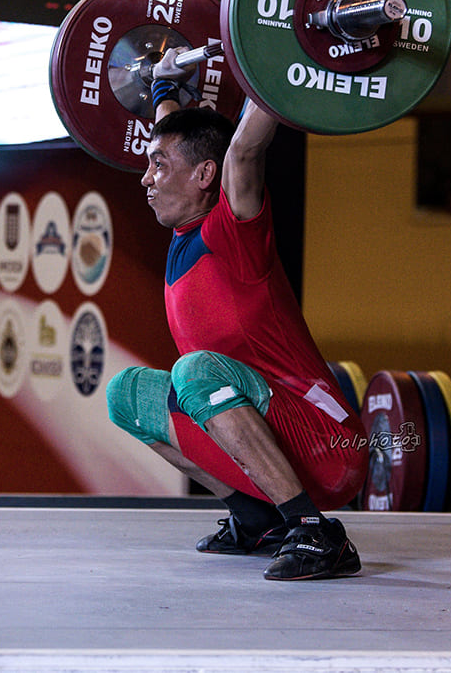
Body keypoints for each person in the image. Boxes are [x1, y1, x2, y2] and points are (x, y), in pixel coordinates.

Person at [106, 49, 368, 581]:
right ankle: (256, 519)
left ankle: (315, 532)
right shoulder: (186, 227)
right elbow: (177, 138)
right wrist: (162, 86)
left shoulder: (233, 229)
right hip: (276, 439)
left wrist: (281, 55)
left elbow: (245, 148)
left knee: (195, 371)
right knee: (127, 394)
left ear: (206, 175)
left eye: (158, 167)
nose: (146, 179)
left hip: (328, 444)